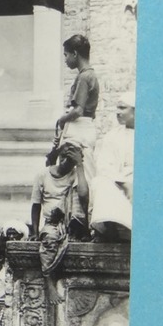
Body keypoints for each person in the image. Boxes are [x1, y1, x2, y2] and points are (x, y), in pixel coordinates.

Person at [91, 91, 135, 241]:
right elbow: (104, 165)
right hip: (119, 181)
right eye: (117, 108)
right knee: (100, 183)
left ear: (135, 111)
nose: (118, 112)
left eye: (123, 108)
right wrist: (124, 183)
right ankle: (110, 230)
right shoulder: (112, 136)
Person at [56, 34, 99, 176]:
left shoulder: (84, 77)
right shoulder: (90, 75)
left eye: (66, 55)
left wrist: (62, 119)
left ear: (75, 54)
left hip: (80, 129)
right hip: (85, 128)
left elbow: (78, 110)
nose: (65, 60)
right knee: (84, 172)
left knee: (75, 175)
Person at [30, 141, 89, 239]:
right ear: (59, 156)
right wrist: (34, 233)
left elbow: (84, 197)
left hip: (72, 225)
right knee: (50, 240)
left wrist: (79, 165)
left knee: (76, 191)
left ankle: (79, 231)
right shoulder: (42, 175)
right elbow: (36, 205)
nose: (65, 161)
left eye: (69, 159)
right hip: (52, 224)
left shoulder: (78, 175)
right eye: (63, 156)